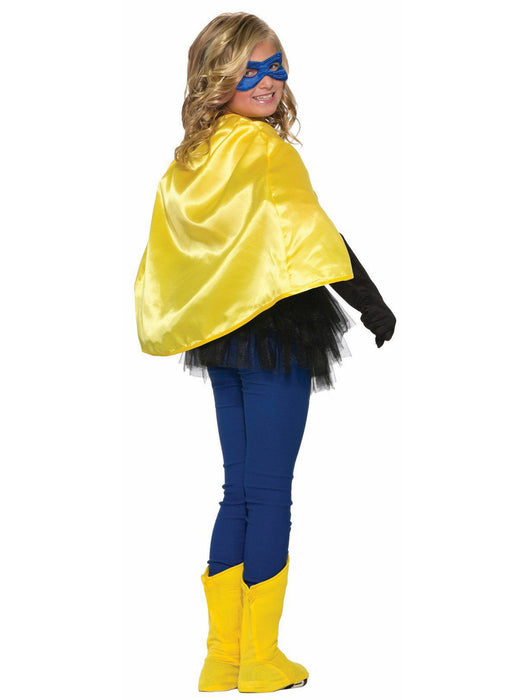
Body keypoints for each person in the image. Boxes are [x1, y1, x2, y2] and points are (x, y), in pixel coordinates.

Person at [134, 12, 396, 694]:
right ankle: (261, 658)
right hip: (279, 334)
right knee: (270, 492)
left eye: (275, 66)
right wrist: (369, 302)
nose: (268, 81)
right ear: (215, 79)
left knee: (238, 491)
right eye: (249, 69)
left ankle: (221, 658)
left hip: (220, 336)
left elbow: (183, 257)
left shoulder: (191, 159)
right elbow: (317, 238)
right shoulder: (268, 151)